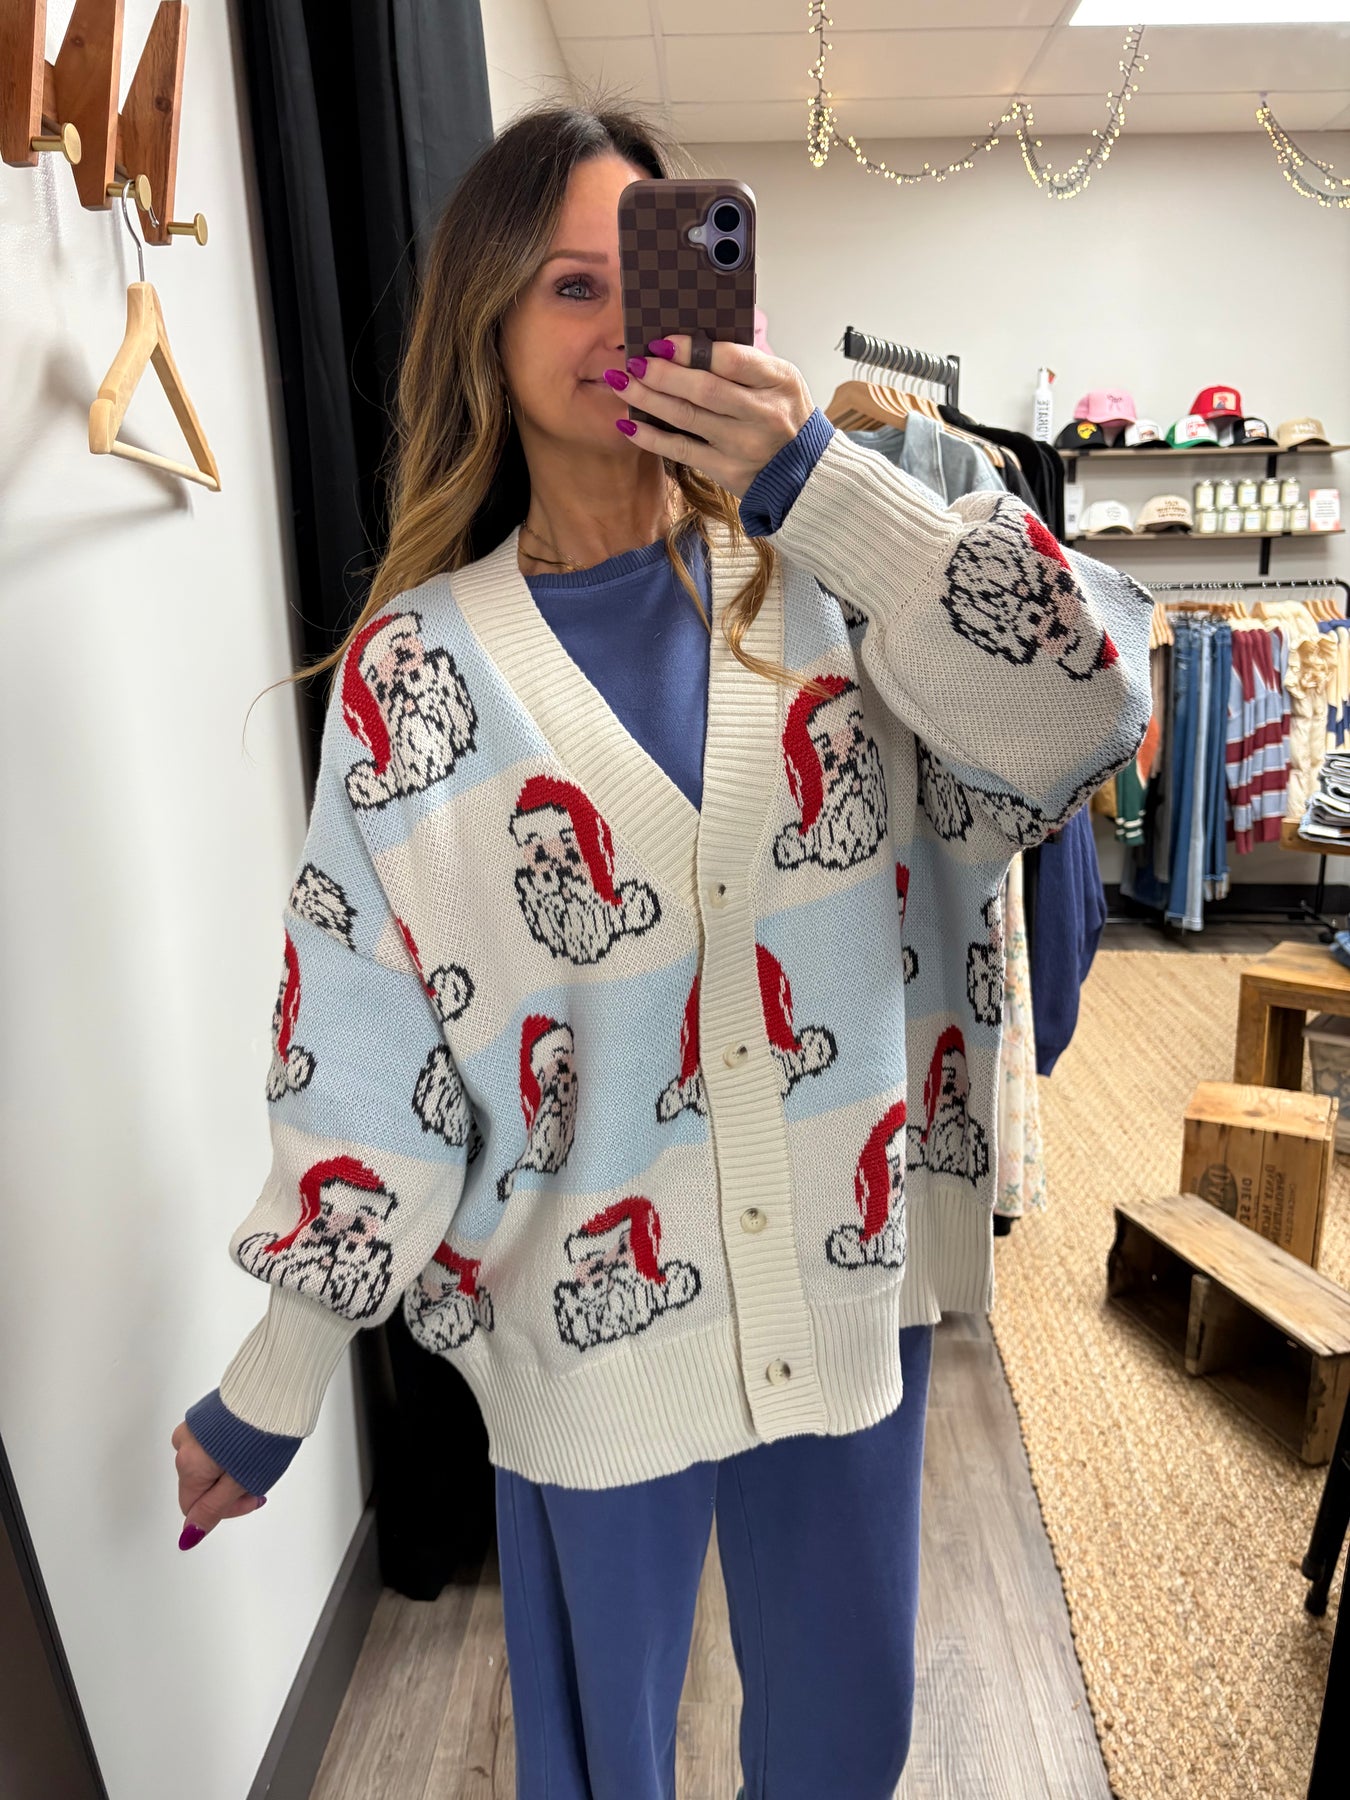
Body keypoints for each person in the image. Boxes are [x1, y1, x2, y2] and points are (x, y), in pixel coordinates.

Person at [170, 101, 1154, 1799]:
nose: (621, 321)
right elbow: (369, 1056)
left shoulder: (841, 585)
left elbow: (1085, 710)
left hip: (844, 1290)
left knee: (844, 1746)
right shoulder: (414, 677)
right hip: (580, 1331)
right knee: (597, 1765)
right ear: (486, 328)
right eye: (571, 285)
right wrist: (276, 1377)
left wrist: (813, 481)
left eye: (651, 276)